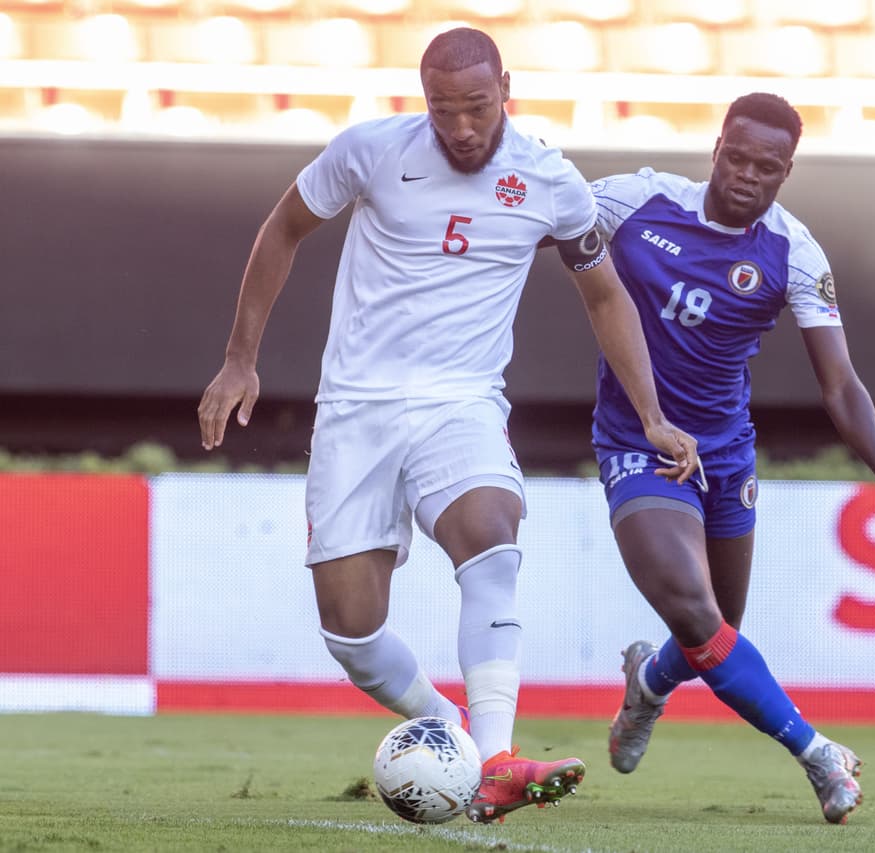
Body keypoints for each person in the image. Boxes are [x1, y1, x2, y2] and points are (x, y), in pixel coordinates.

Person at [196, 27, 699, 824]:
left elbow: (605, 295)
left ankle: (495, 760)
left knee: (492, 534)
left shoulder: (550, 180)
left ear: (507, 87)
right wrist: (239, 358)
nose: (460, 127)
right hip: (356, 409)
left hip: (460, 400)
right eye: (442, 110)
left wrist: (653, 415)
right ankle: (455, 734)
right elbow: (282, 229)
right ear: (420, 98)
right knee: (354, 636)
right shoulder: (368, 150)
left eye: (476, 106)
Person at [587, 93, 875, 824]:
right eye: (736, 157)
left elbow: (839, 383)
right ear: (716, 147)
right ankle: (819, 757)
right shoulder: (633, 201)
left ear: (787, 172)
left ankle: (646, 687)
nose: (747, 175)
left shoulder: (793, 253)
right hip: (639, 442)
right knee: (695, 608)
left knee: (715, 631)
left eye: (766, 167)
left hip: (725, 452)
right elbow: (540, 226)